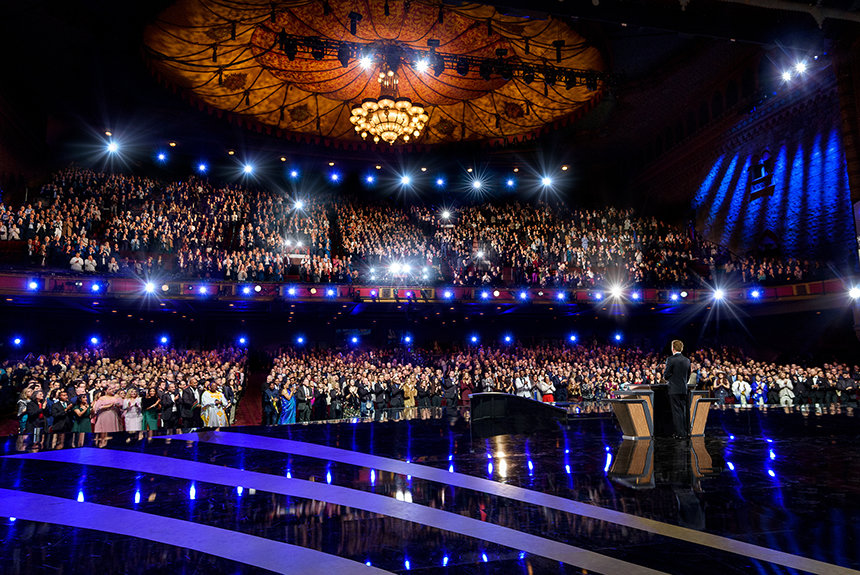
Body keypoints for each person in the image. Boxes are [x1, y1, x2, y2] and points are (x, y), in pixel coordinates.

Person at [663, 339, 691, 439]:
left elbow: (666, 375)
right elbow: (688, 375)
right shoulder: (687, 360)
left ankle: (679, 434)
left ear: (673, 348)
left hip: (674, 389)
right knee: (683, 411)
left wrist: (670, 378)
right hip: (684, 389)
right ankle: (685, 432)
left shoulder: (671, 359)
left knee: (676, 412)